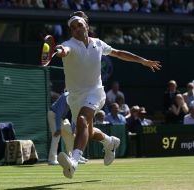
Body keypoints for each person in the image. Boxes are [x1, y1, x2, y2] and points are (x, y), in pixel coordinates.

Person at [55, 11, 161, 179]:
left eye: (79, 25)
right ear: (71, 31)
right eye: (73, 27)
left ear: (87, 26)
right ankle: (110, 142)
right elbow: (65, 50)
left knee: (82, 120)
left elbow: (119, 53)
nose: (76, 29)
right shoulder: (69, 44)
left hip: (95, 92)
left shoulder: (98, 43)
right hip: (75, 97)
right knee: (87, 133)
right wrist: (60, 50)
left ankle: (73, 163)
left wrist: (143, 61)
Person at [48, 91, 88, 165]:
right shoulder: (64, 97)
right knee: (56, 136)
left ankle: (73, 158)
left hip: (62, 119)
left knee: (71, 135)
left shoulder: (76, 99)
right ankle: (52, 159)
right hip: (53, 115)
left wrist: (73, 129)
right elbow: (58, 114)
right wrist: (58, 128)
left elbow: (74, 115)